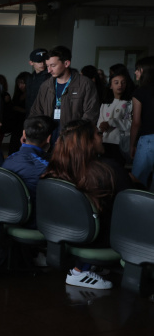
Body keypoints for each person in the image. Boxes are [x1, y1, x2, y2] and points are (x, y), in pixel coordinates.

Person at [42, 119, 129, 289]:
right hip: (99, 239)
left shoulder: (54, 169)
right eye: (97, 134)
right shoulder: (108, 170)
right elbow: (129, 207)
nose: (101, 136)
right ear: (87, 142)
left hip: (67, 234)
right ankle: (80, 270)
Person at [29, 45, 100, 145]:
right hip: (48, 139)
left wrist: (72, 136)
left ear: (66, 63)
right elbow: (35, 112)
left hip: (74, 142)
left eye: (53, 66)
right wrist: (29, 132)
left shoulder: (85, 84)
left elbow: (90, 115)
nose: (49, 70)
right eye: (47, 66)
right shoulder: (46, 86)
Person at [2, 115, 53, 227]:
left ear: (24, 134)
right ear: (49, 138)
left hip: (8, 219)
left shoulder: (9, 160)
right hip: (36, 223)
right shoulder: (46, 167)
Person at [97, 68, 133, 163]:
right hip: (105, 141)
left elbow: (131, 122)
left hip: (120, 142)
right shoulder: (105, 104)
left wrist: (111, 122)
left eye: (123, 82)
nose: (120, 85)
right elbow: (100, 120)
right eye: (116, 82)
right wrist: (101, 128)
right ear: (111, 86)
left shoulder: (129, 103)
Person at [130, 56, 154, 189]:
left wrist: (132, 144)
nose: (135, 73)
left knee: (138, 182)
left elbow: (136, 122)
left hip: (147, 140)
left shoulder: (140, 92)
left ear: (144, 70)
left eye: (137, 70)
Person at [24, 48, 50, 117]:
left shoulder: (51, 77)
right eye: (39, 61)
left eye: (44, 60)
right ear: (31, 63)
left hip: (45, 115)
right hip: (32, 115)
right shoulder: (30, 78)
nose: (43, 64)